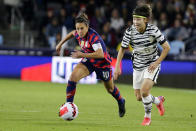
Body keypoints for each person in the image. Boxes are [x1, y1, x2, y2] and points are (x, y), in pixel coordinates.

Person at [56, 12, 125, 117]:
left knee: (110, 89)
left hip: (102, 64)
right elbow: (71, 33)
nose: (79, 31)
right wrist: (60, 44)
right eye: (78, 28)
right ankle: (69, 105)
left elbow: (100, 54)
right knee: (73, 78)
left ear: (87, 27)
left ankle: (121, 100)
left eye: (82, 28)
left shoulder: (93, 37)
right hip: (89, 60)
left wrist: (81, 54)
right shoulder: (78, 33)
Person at [114, 4, 170, 125]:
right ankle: (158, 101)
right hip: (137, 65)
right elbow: (122, 49)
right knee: (139, 97)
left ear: (145, 19)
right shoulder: (130, 31)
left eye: (138, 19)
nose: (135, 21)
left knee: (144, 91)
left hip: (151, 64)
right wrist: (117, 65)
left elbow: (166, 47)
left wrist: (157, 62)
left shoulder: (153, 30)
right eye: (134, 19)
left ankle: (147, 117)